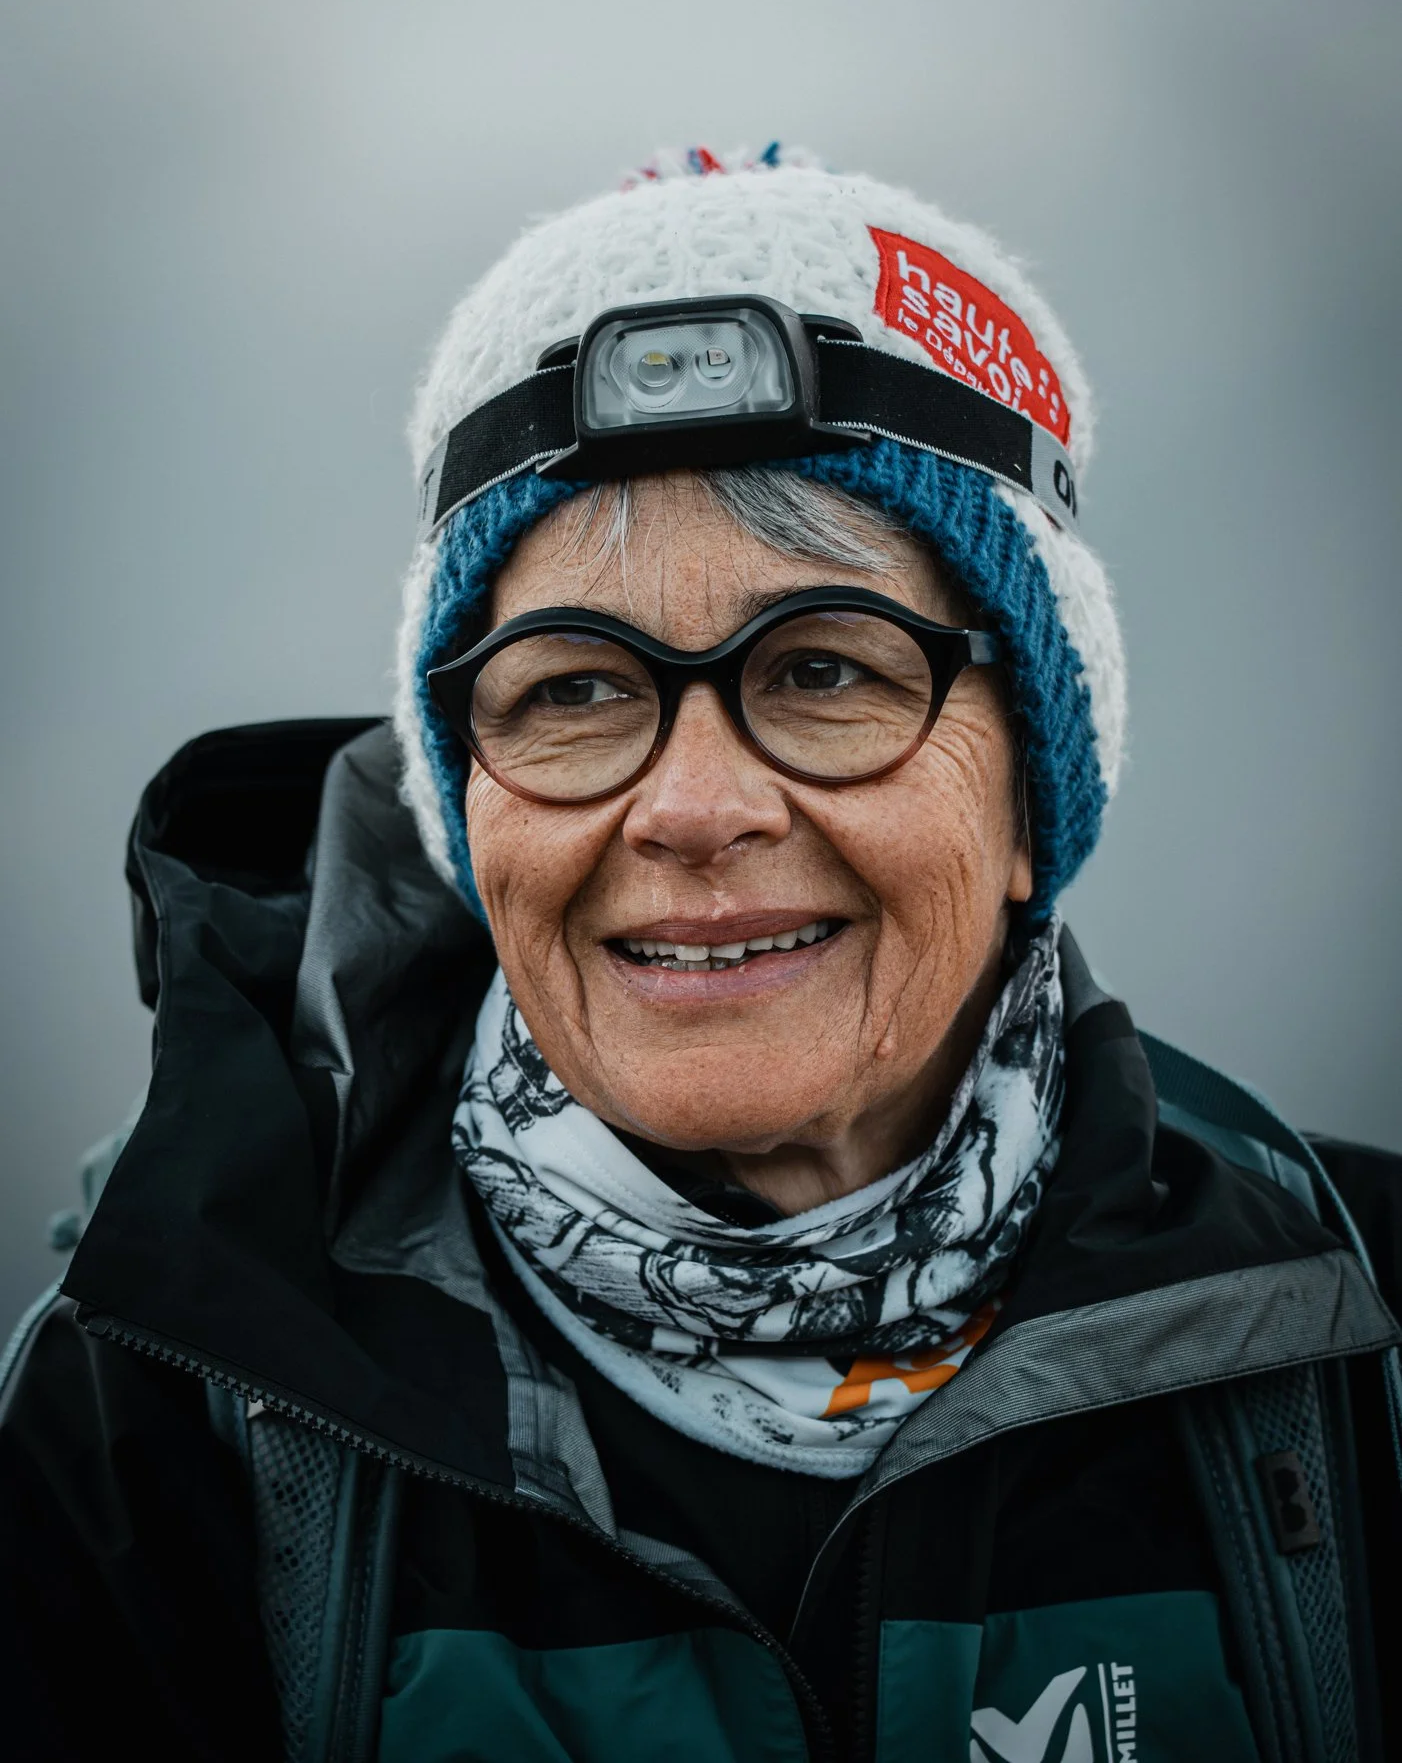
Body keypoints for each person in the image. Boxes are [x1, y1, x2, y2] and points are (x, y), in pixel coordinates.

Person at [2, 144, 1399, 1763]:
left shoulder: (1348, 1326)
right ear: (465, 806)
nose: (691, 807)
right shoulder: (164, 1412)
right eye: (573, 690)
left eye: (823, 669)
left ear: (1030, 788)